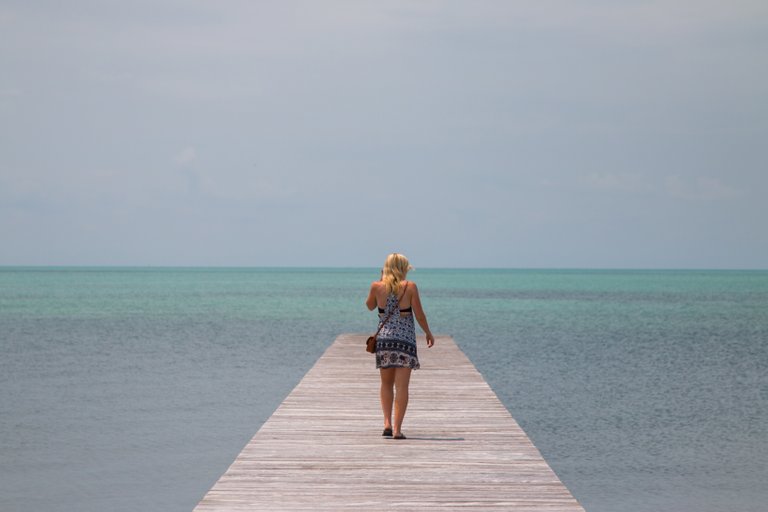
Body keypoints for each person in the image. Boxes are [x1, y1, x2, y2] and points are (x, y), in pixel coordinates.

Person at [365, 253, 435, 439]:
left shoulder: (377, 286)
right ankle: (397, 430)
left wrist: (381, 280)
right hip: (405, 342)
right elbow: (419, 315)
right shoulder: (410, 287)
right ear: (404, 268)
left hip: (385, 342)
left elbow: (369, 306)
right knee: (402, 387)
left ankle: (386, 423)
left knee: (386, 384)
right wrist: (428, 332)